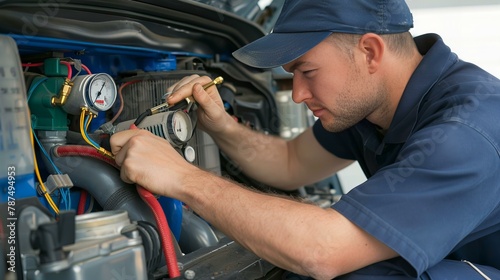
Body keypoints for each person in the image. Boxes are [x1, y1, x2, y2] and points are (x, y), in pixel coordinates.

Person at [111, 0, 500, 279]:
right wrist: (220, 126)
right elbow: (290, 163)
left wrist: (182, 178)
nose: (297, 94)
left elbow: (323, 251)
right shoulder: (371, 106)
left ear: (369, 51)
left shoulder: (468, 129)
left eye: (307, 71)